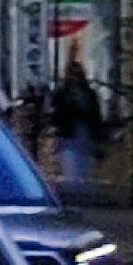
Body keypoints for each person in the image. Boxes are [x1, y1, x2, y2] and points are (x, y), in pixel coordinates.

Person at [47, 62, 107, 202]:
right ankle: (73, 197)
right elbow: (57, 115)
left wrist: (98, 135)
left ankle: (83, 198)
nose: (76, 78)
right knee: (71, 170)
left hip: (85, 136)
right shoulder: (63, 94)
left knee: (84, 171)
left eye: (78, 74)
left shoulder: (89, 94)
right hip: (69, 137)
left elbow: (95, 116)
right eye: (73, 74)